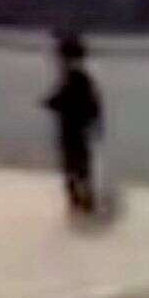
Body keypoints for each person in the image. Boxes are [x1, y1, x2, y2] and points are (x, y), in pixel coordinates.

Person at [42, 32, 103, 213]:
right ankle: (83, 201)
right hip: (78, 128)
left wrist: (51, 103)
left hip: (72, 128)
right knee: (79, 166)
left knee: (73, 166)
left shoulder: (74, 78)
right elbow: (93, 105)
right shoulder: (79, 78)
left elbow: (67, 101)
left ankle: (81, 202)